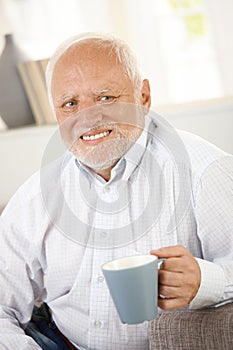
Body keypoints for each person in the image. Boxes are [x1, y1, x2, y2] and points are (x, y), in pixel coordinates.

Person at [0, 32, 233, 350]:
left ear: (144, 97)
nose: (89, 119)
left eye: (105, 98)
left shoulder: (205, 170)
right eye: (70, 104)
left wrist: (206, 280)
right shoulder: (35, 197)